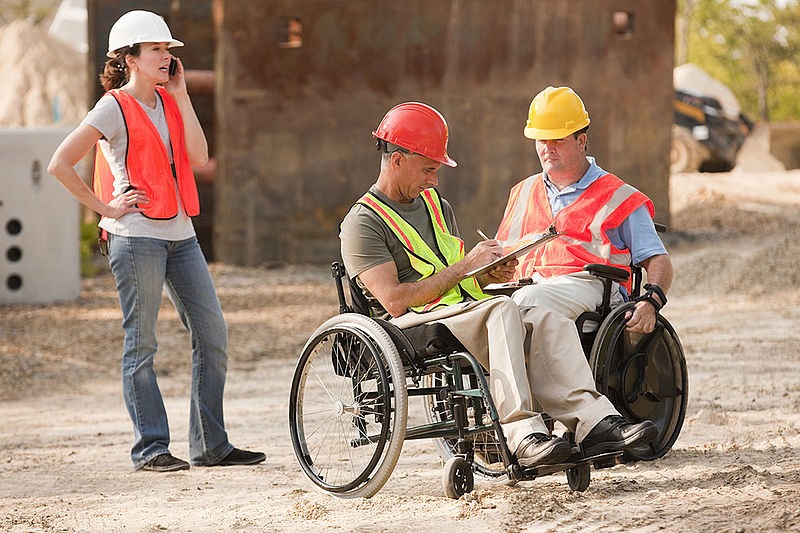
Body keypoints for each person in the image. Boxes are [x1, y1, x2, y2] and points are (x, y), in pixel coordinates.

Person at [339, 102, 658, 467]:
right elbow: (395, 300)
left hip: (457, 309)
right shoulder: (363, 223)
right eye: (429, 169)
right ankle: (522, 434)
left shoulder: (435, 205)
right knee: (504, 309)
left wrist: (488, 273)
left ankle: (593, 421)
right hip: (411, 323)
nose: (434, 180)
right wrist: (466, 266)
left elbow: (452, 274)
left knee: (545, 317)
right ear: (397, 160)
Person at [47, 10, 264, 472]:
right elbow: (59, 163)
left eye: (168, 50)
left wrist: (181, 95)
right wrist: (105, 208)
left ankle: (211, 445)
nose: (166, 56)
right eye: (156, 49)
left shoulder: (169, 100)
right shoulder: (112, 107)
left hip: (181, 235)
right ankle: (150, 448)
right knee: (142, 345)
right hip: (135, 239)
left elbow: (200, 156)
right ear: (130, 58)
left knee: (213, 334)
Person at [495, 86, 673, 334]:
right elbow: (501, 253)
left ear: (581, 141)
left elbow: (658, 259)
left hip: (592, 289)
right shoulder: (522, 191)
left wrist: (651, 302)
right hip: (529, 286)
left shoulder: (619, 196)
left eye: (558, 139)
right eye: (542, 140)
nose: (548, 148)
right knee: (489, 308)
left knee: (526, 302)